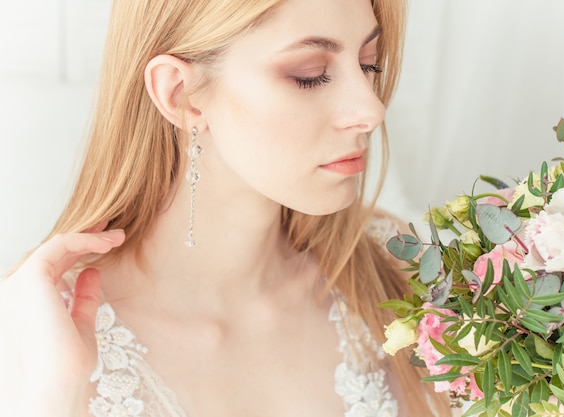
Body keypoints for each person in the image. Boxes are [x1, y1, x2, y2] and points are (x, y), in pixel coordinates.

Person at [0, 0, 454, 416]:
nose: (371, 109)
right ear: (180, 93)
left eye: (368, 63)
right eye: (310, 74)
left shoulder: (402, 272)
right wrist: (58, 391)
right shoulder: (38, 338)